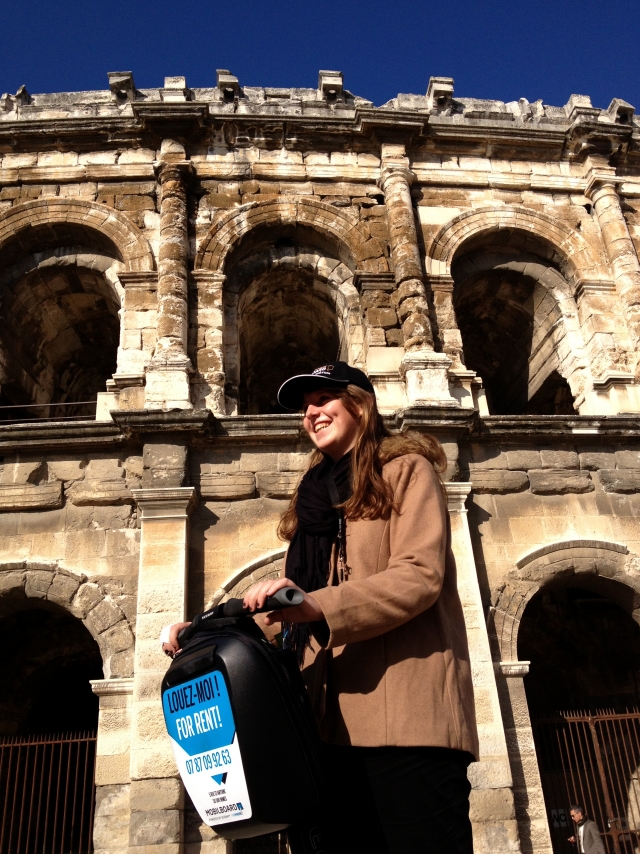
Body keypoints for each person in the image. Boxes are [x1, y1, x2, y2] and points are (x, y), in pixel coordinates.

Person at [164, 361, 479, 854]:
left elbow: (420, 576)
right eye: (305, 406)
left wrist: (316, 604)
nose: (311, 412)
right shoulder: (311, 504)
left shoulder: (406, 471)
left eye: (323, 399)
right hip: (327, 731)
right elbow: (288, 613)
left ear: (360, 403)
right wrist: (206, 634)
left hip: (407, 720)